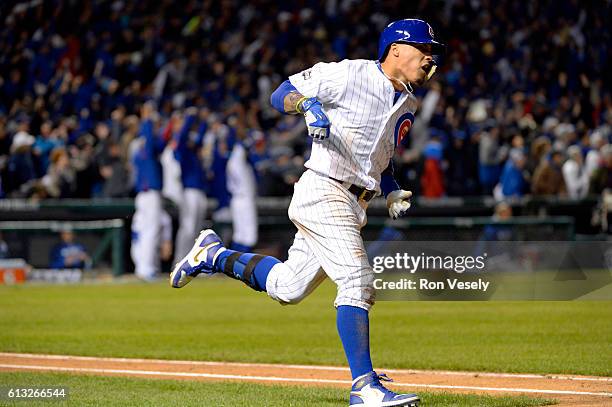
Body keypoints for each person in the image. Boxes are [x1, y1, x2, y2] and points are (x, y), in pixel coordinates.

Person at [170, 18, 443, 407]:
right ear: (396, 49)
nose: (430, 57)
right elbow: (281, 93)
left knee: (288, 287)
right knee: (357, 279)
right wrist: (307, 104)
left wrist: (391, 186)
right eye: (424, 48)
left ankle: (212, 254)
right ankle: (363, 387)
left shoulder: (409, 100)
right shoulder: (349, 73)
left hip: (354, 201)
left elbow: (379, 155)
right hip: (324, 189)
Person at [130, 102, 165, 281]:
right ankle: (147, 268)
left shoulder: (140, 146)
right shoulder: (146, 144)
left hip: (142, 194)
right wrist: (147, 119)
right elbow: (153, 140)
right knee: (150, 230)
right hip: (149, 193)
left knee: (143, 231)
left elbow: (160, 143)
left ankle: (142, 268)